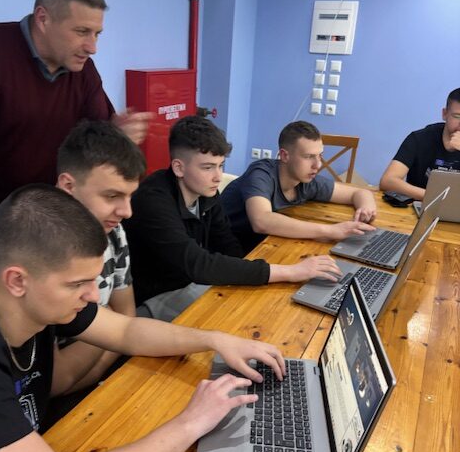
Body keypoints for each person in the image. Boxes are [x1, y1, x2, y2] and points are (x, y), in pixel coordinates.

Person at [0, 184, 285, 452]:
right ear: (17, 280)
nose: (93, 295)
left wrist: (215, 339)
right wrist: (191, 422)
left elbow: (125, 330)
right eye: (77, 284)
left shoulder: (27, 293)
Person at [0, 0, 153, 242]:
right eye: (82, 32)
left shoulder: (84, 71)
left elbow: (92, 143)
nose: (92, 47)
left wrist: (116, 135)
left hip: (52, 218)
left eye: (97, 34)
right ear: (43, 18)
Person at [123, 116, 342, 321]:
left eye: (220, 165)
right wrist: (291, 271)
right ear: (179, 168)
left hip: (188, 284)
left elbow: (227, 245)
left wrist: (256, 275)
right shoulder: (153, 201)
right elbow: (198, 265)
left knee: (260, 302)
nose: (218, 177)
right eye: (208, 167)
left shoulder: (206, 192)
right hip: (150, 301)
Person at [54, 120, 146, 396]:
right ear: (68, 186)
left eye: (130, 196)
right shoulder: (37, 247)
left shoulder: (113, 231)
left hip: (94, 375)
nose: (126, 212)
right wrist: (113, 336)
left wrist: (100, 364)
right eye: (112, 196)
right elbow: (56, 382)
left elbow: (127, 315)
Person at [221, 121, 377, 255]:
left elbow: (359, 192)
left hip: (262, 246)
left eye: (320, 156)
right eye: (308, 157)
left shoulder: (305, 179)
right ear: (284, 156)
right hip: (226, 253)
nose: (318, 165)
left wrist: (366, 208)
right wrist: (331, 231)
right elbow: (262, 221)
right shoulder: (260, 174)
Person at [379, 88, 460, 201]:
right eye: (457, 116)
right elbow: (387, 181)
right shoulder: (420, 138)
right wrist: (435, 197)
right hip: (419, 204)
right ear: (444, 114)